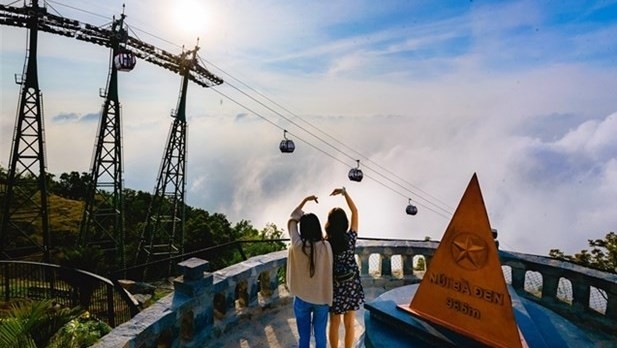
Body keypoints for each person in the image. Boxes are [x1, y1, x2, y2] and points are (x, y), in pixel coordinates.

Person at [287, 195, 334, 348]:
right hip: (321, 299)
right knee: (321, 336)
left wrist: (304, 201)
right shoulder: (326, 247)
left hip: (302, 298)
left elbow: (292, 220)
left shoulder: (297, 245)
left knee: (304, 338)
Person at [326, 187, 364, 348]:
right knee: (349, 322)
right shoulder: (351, 238)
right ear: (345, 223)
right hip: (351, 284)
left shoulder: (326, 243)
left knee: (334, 322)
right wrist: (344, 192)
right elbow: (355, 211)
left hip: (335, 285)